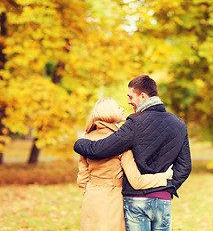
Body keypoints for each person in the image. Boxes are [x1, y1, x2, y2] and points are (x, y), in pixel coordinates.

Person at [74, 75, 192, 231]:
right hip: (163, 199)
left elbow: (100, 149)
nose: (128, 102)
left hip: (136, 199)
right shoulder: (179, 124)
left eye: (131, 97)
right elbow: (185, 166)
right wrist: (167, 186)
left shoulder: (134, 123)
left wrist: (80, 142)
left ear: (143, 96)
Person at [77, 98, 173, 231]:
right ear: (109, 113)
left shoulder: (86, 139)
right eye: (118, 107)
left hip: (91, 200)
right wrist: (164, 176)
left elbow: (82, 178)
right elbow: (136, 181)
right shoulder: (121, 143)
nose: (122, 109)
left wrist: (92, 193)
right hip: (113, 202)